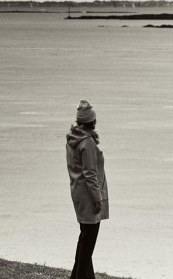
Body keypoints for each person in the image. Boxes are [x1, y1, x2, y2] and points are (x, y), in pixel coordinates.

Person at [66, 99, 108, 279]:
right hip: (90, 197)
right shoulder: (87, 143)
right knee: (88, 242)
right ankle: (80, 276)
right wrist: (97, 199)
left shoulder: (72, 139)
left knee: (84, 238)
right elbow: (90, 173)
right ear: (92, 121)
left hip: (78, 193)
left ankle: (81, 276)